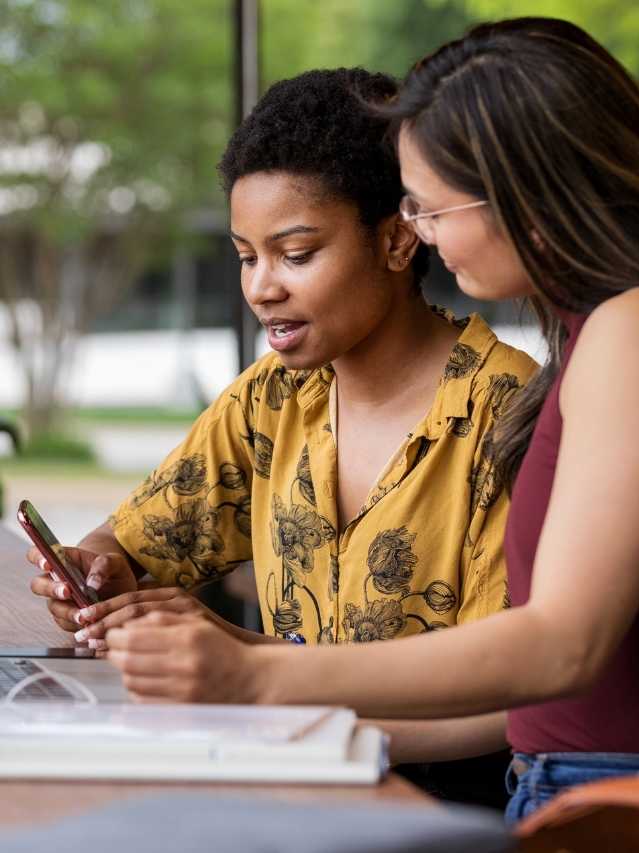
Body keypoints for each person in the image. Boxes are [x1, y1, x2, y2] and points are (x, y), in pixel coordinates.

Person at [103, 19, 639, 823]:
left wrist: (260, 681)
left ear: (517, 189)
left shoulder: (621, 332)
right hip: (560, 779)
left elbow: (561, 643)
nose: (416, 233)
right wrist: (240, 652)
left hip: (590, 791)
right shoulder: (596, 331)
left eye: (427, 207)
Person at [27, 67, 535, 802]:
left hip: (446, 798)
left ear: (396, 240)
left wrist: (255, 688)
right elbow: (125, 549)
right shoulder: (270, 399)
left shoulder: (505, 410)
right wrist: (92, 576)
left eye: (296, 254)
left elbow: (513, 694)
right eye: (245, 256)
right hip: (286, 772)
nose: (263, 286)